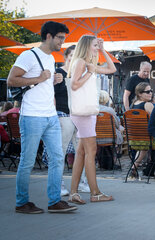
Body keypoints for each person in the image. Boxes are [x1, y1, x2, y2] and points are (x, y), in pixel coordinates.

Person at [7, 21, 77, 213]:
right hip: (31, 116)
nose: (62, 42)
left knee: (57, 158)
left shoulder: (50, 59)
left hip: (50, 116)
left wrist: (55, 80)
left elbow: (44, 85)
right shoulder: (28, 55)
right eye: (60, 38)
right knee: (27, 161)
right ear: (48, 36)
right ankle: (22, 203)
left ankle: (55, 201)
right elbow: (11, 79)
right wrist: (40, 78)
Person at [67, 35, 116, 204]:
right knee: (91, 151)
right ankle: (95, 192)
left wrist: (103, 50)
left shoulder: (87, 64)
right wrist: (90, 72)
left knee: (81, 152)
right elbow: (74, 85)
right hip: (84, 113)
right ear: (87, 45)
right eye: (95, 45)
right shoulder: (81, 62)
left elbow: (112, 69)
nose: (97, 48)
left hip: (86, 112)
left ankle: (73, 192)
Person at [54, 45, 90, 196]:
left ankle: (82, 182)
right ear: (66, 57)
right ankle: (59, 184)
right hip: (63, 113)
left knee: (81, 150)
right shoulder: (59, 73)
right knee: (61, 150)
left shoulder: (81, 74)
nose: (74, 59)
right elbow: (52, 95)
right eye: (71, 56)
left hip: (79, 114)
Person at [128, 82, 155, 179]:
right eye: (147, 92)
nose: (150, 93)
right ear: (139, 94)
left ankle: (134, 168)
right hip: (148, 140)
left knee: (144, 146)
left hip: (135, 139)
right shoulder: (148, 105)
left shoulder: (133, 105)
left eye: (151, 91)